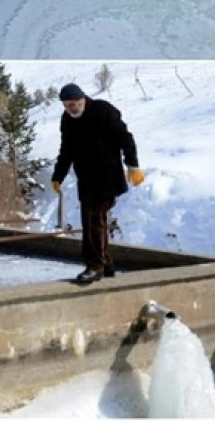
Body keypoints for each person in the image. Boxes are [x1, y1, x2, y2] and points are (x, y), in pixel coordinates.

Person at [50, 83, 144, 284]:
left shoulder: (103, 111)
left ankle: (95, 266)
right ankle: (107, 264)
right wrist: (58, 175)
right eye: (67, 106)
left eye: (74, 104)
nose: (71, 109)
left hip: (107, 176)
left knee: (94, 219)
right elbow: (66, 150)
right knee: (92, 220)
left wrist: (133, 166)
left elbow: (126, 138)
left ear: (82, 99)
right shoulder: (67, 120)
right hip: (85, 178)